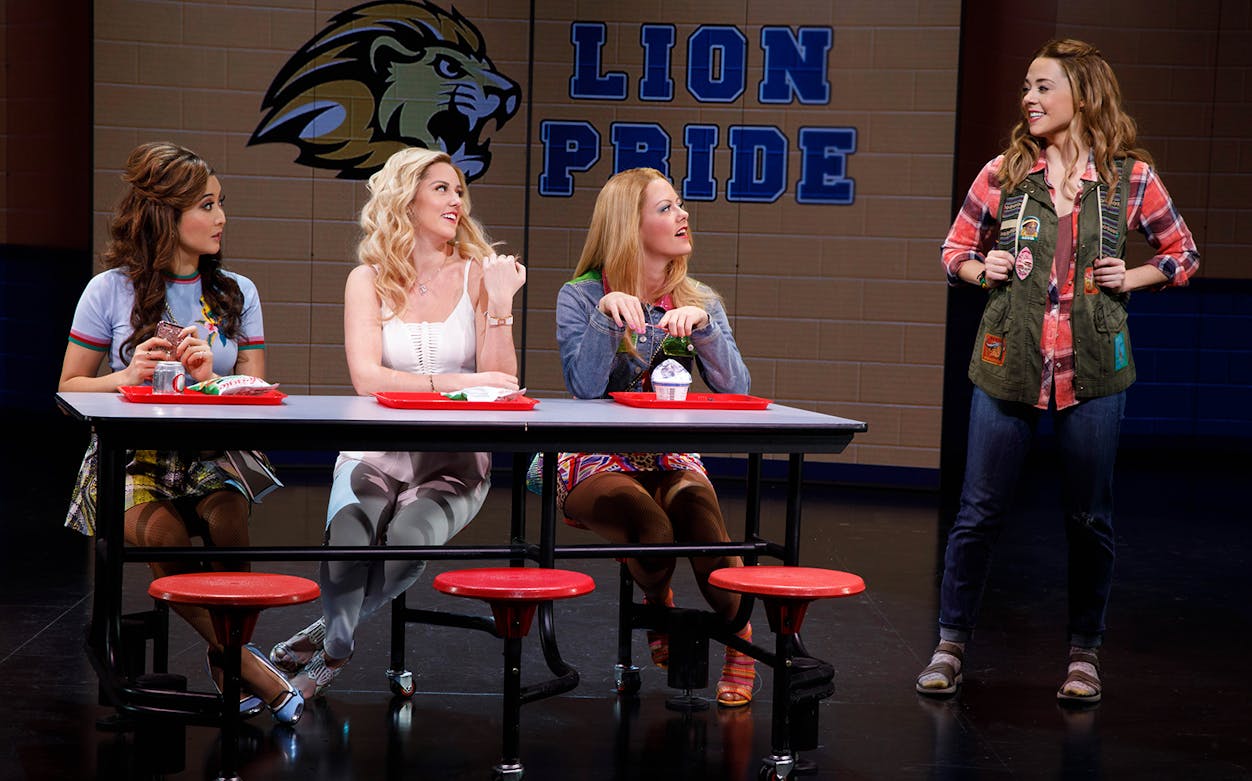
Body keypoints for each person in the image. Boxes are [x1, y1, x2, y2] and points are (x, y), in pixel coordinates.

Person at [916, 39, 1200, 706]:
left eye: (1043, 86)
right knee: (978, 511)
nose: (1029, 99)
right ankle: (950, 645)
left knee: (1088, 518)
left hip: (1093, 368)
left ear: (1083, 94)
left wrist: (1129, 275)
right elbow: (954, 248)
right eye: (1025, 88)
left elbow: (1182, 253)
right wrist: (976, 268)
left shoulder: (1129, 178)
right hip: (1007, 360)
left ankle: (1083, 655)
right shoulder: (1005, 172)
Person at [270, 148, 526, 699]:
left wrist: (500, 302)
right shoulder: (368, 279)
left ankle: (324, 641)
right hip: (378, 448)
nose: (456, 200)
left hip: (455, 459)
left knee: (407, 539)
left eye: (459, 191)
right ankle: (336, 651)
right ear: (404, 199)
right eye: (441, 189)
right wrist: (460, 382)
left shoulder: (480, 275)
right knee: (349, 538)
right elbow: (367, 378)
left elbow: (502, 381)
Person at [59, 141, 301, 723]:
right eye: (207, 205)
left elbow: (255, 387)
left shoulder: (236, 292)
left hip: (209, 452)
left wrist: (203, 379)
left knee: (229, 516)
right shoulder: (109, 289)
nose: (221, 219)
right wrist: (126, 376)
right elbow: (68, 388)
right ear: (167, 214)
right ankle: (246, 664)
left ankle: (229, 659)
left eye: (221, 204)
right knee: (162, 530)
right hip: (127, 457)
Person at [554, 167, 756, 706]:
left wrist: (706, 329)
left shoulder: (699, 298)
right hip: (598, 457)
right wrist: (604, 320)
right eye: (666, 208)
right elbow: (583, 389)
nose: (682, 214)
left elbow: (737, 389)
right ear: (629, 224)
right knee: (653, 528)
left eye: (680, 204)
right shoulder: (580, 296)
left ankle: (740, 638)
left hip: (672, 454)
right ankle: (658, 603)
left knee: (707, 534)